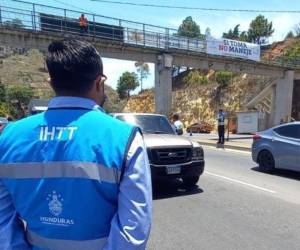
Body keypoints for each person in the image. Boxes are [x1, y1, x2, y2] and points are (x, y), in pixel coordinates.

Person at [0, 39, 152, 250]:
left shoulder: (8, 137)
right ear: (99, 83)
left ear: (51, 82)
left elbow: (3, 223)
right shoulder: (124, 137)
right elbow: (134, 229)